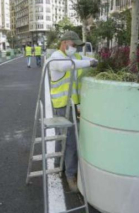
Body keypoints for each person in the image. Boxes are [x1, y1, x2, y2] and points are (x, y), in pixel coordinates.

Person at [48, 31, 98, 192]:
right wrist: (90, 63)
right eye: (73, 44)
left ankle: (58, 166)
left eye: (77, 46)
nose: (75, 48)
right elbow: (65, 66)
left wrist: (93, 60)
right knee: (70, 142)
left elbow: (85, 60)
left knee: (62, 137)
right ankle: (70, 175)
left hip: (71, 105)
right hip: (62, 106)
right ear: (64, 43)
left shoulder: (74, 57)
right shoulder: (56, 57)